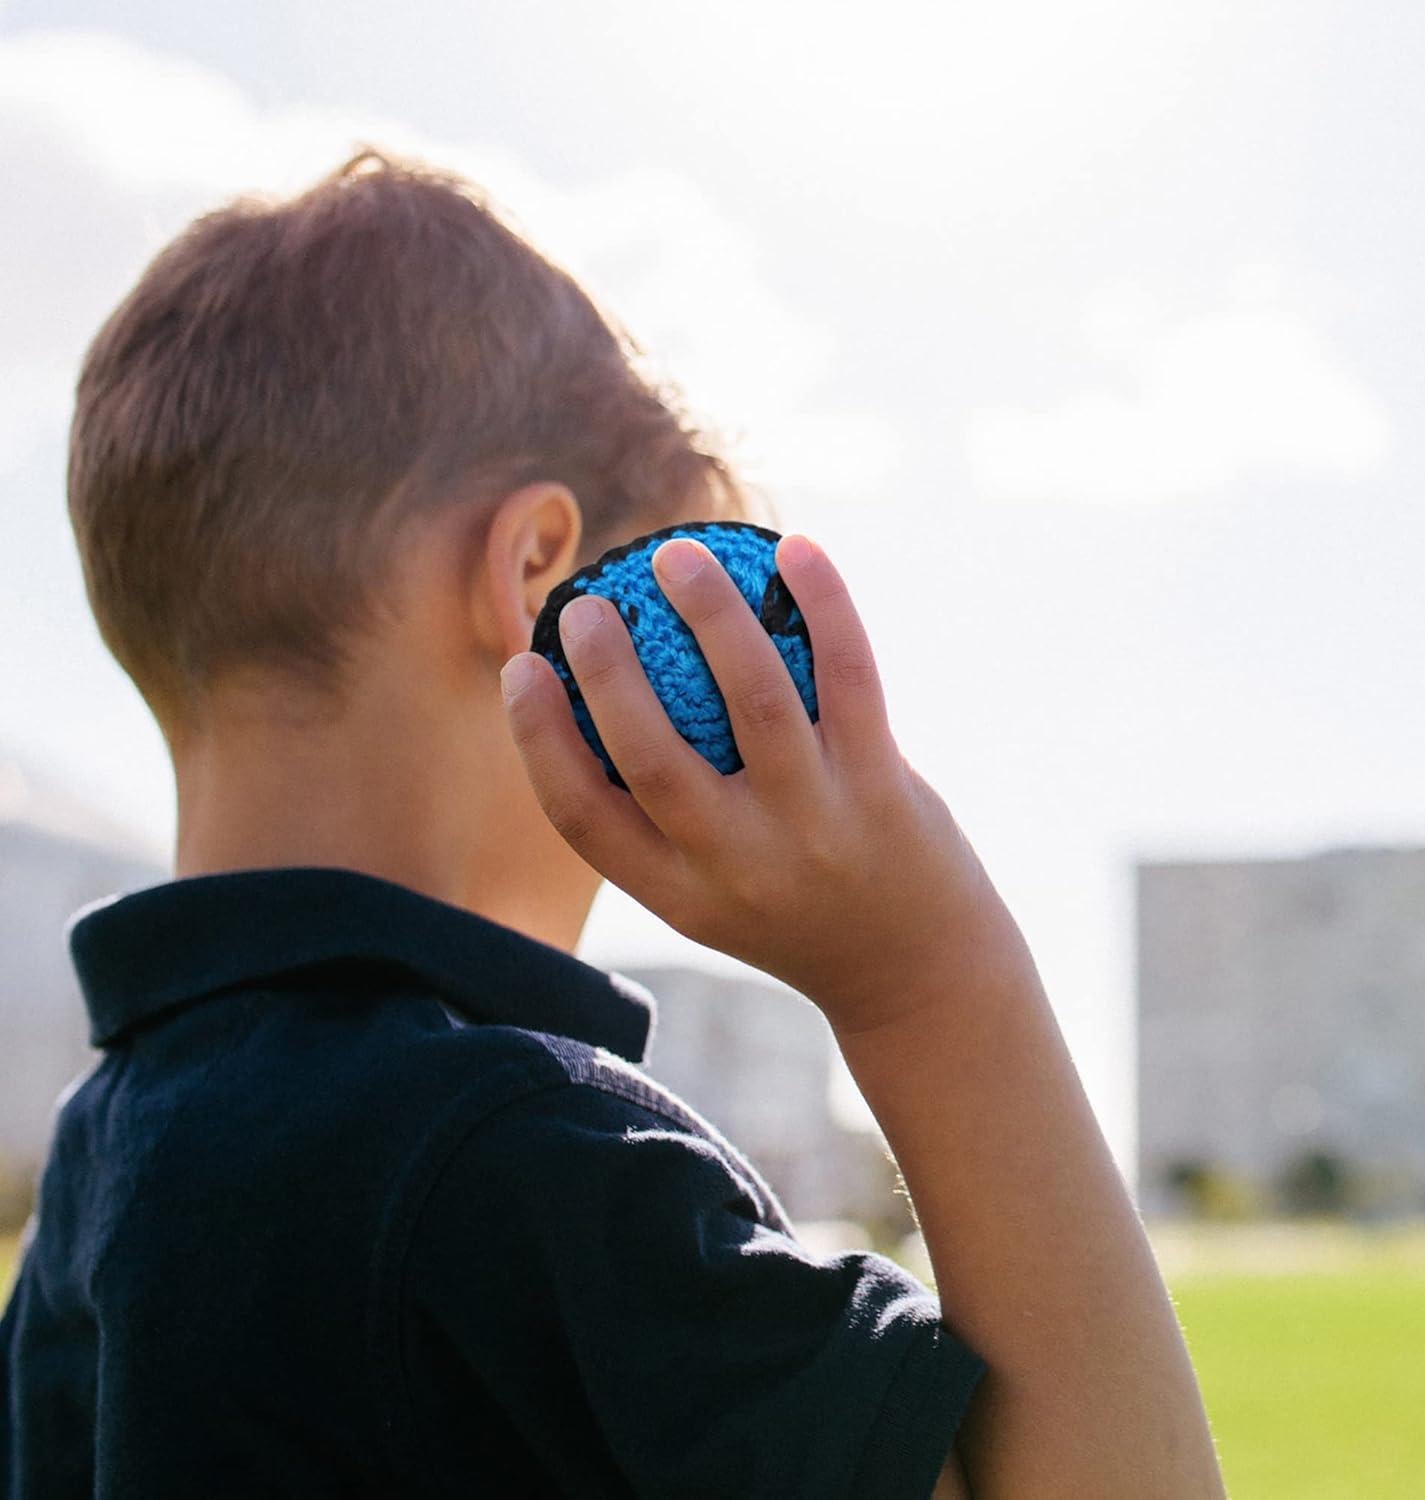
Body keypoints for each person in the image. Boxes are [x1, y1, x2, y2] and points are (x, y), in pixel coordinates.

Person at [0, 148, 1226, 1498]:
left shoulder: (96, 1171)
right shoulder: (529, 1160)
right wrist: (932, 985)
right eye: (698, 634)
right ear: (536, 575)